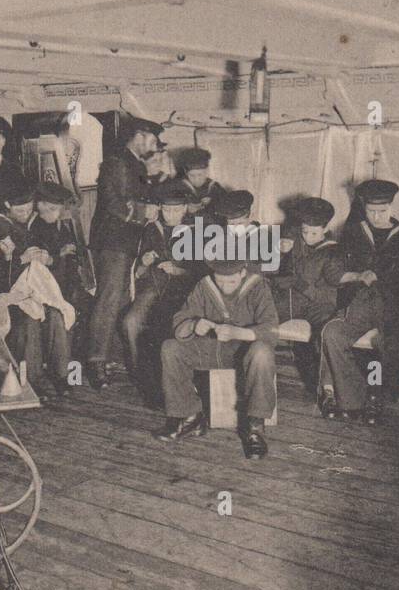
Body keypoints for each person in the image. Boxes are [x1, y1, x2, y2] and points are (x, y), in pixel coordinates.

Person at [156, 257, 279, 458]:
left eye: (231, 281)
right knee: (171, 348)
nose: (225, 286)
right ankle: (189, 417)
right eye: (220, 280)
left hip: (244, 353)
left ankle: (255, 428)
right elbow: (180, 319)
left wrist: (238, 333)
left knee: (262, 353)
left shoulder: (258, 287)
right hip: (211, 350)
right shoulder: (204, 286)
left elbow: (272, 329)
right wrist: (194, 324)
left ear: (242, 273)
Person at [318, 179, 399, 422]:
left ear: (391, 208)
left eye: (382, 211)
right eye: (371, 211)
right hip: (359, 301)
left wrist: (382, 277)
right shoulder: (353, 232)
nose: (376, 217)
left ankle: (377, 396)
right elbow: (334, 270)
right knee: (332, 333)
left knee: (390, 341)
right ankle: (352, 398)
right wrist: (356, 275)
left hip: (392, 305)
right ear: (364, 208)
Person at [86, 117, 165, 388]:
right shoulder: (118, 162)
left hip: (125, 243)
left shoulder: (133, 163)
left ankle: (109, 357)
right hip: (113, 243)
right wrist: (145, 212)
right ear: (140, 136)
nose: (154, 147)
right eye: (153, 141)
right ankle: (96, 360)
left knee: (120, 299)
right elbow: (114, 203)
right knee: (108, 300)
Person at [123, 179, 197, 403]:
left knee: (164, 327)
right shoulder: (151, 229)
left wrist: (178, 270)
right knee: (130, 322)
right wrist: (144, 262)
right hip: (154, 287)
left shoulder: (197, 230)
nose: (171, 214)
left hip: (183, 291)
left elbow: (203, 271)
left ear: (184, 208)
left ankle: (173, 381)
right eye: (166, 209)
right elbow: (139, 272)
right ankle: (142, 379)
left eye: (176, 209)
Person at [7, 182, 82, 400]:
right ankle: (34, 379)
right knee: (34, 320)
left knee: (59, 316)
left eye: (55, 209)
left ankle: (62, 375)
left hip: (53, 291)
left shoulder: (61, 227)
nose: (51, 213)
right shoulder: (35, 228)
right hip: (27, 293)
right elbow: (36, 264)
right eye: (47, 208)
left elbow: (69, 259)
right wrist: (57, 257)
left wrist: (59, 257)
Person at [270, 197, 346, 393]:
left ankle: (327, 389)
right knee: (261, 319)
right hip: (288, 301)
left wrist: (300, 284)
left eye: (314, 232)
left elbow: (329, 297)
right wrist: (278, 251)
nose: (308, 237)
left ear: (324, 229)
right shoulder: (293, 239)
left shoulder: (334, 252)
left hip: (318, 306)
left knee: (326, 332)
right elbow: (272, 269)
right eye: (304, 231)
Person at [177, 147, 225, 218]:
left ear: (207, 170)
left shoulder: (215, 187)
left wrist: (212, 204)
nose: (197, 179)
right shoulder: (178, 187)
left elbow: (226, 209)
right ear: (185, 172)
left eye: (200, 175)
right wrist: (185, 209)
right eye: (192, 175)